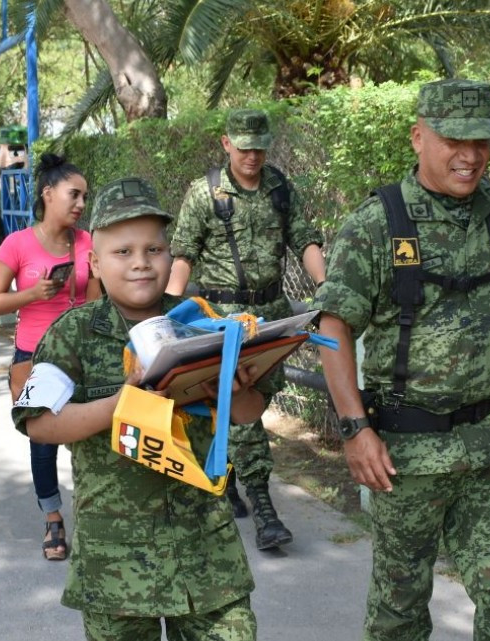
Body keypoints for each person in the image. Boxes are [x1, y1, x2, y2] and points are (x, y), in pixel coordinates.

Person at [313, 79, 490, 640]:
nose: (469, 156)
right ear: (419, 137)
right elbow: (331, 326)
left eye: (482, 142)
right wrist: (354, 430)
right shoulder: (378, 223)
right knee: (401, 613)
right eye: (453, 140)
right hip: (404, 455)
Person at [13, 176, 267, 640]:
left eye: (154, 250)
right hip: (116, 565)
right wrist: (122, 402)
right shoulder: (73, 334)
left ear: (170, 255)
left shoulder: (202, 324)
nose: (141, 264)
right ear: (94, 262)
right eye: (123, 252)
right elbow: (40, 425)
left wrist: (233, 384)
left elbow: (248, 412)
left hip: (206, 555)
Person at [167, 108, 327, 550]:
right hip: (223, 322)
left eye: (259, 147)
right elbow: (183, 254)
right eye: (243, 147)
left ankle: (232, 472)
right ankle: (265, 510)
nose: (252, 156)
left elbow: (304, 238)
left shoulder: (278, 188)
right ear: (226, 144)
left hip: (271, 316)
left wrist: (325, 287)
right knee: (242, 400)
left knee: (256, 399)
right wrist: (165, 313)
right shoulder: (204, 193)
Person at [0, 153, 99, 561]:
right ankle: (52, 516)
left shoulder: (88, 243)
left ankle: (94, 512)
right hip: (34, 355)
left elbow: (96, 304)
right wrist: (32, 294)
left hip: (81, 353)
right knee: (44, 440)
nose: (81, 204)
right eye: (74, 194)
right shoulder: (18, 243)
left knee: (91, 434)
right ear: (48, 194)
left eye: (85, 196)